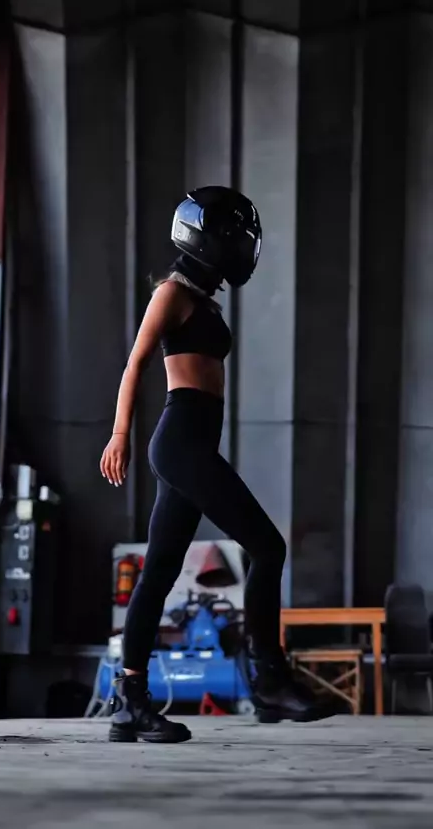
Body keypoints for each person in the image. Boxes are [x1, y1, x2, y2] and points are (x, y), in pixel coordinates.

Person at [100, 186, 329, 744]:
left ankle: (128, 703)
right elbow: (134, 364)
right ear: (203, 237)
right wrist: (119, 434)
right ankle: (269, 680)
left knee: (159, 571)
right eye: (231, 237)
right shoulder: (172, 293)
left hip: (193, 444)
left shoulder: (201, 301)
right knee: (267, 548)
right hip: (181, 444)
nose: (240, 248)